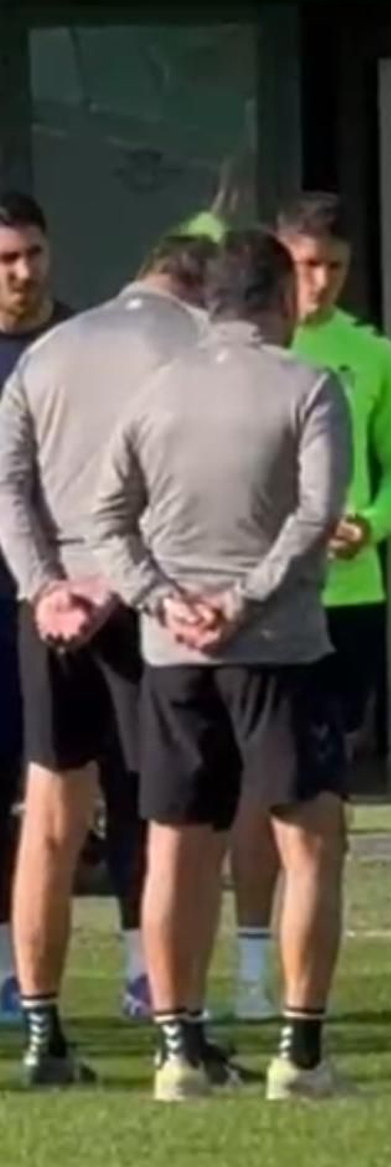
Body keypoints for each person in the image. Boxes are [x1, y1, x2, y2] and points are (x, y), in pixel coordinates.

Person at [90, 229, 353, 1103]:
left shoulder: (155, 392)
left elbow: (108, 520)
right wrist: (243, 599)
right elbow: (317, 513)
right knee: (309, 839)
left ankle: (177, 1050)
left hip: (173, 653)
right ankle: (302, 1053)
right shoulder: (311, 385)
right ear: (280, 299)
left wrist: (161, 598)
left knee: (177, 842)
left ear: (209, 302)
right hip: (277, 648)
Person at [0, 234, 216, 1085]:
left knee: (49, 817)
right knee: (169, 819)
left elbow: (9, 485)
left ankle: (43, 1032)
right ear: (193, 289)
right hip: (139, 606)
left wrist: (47, 586)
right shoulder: (192, 351)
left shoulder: (50, 349)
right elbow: (176, 493)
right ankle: (175, 1033)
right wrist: (111, 588)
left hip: (47, 610)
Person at [227, 194, 391, 1023]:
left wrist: (373, 524)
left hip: (348, 600)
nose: (321, 284)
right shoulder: (246, 354)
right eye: (308, 267)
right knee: (253, 793)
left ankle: (310, 975)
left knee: (324, 797)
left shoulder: (369, 355)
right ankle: (246, 971)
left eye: (335, 268)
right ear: (280, 262)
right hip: (261, 608)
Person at [0, 191, 74, 1024]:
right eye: (7, 258)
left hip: (62, 597)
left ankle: (138, 969)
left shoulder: (75, 346)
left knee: (68, 787)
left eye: (33, 253)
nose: (23, 272)